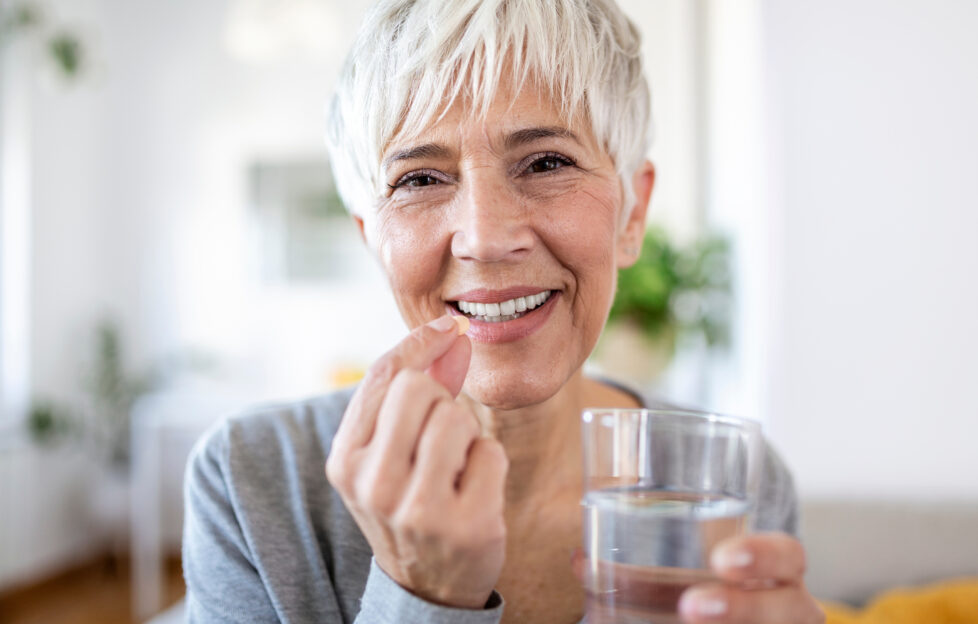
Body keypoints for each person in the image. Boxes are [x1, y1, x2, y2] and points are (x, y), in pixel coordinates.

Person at [182, 1, 825, 622]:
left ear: (632, 214)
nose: (485, 237)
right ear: (370, 237)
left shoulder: (730, 479)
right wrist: (422, 596)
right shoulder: (249, 481)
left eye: (547, 162)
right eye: (420, 179)